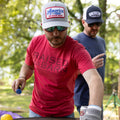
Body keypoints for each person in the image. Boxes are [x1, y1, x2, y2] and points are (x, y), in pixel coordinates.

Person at [12, 2, 104, 119]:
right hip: (36, 111)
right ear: (42, 26)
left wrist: (93, 113)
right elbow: (29, 66)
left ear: (68, 25)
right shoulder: (35, 43)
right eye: (50, 28)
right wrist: (22, 77)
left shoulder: (77, 50)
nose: (55, 33)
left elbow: (94, 80)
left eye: (61, 28)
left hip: (64, 114)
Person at [73, 5, 106, 119]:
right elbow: (66, 73)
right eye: (91, 24)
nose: (95, 27)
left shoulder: (102, 42)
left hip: (98, 99)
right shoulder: (75, 42)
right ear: (83, 22)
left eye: (98, 24)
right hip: (83, 99)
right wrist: (89, 65)